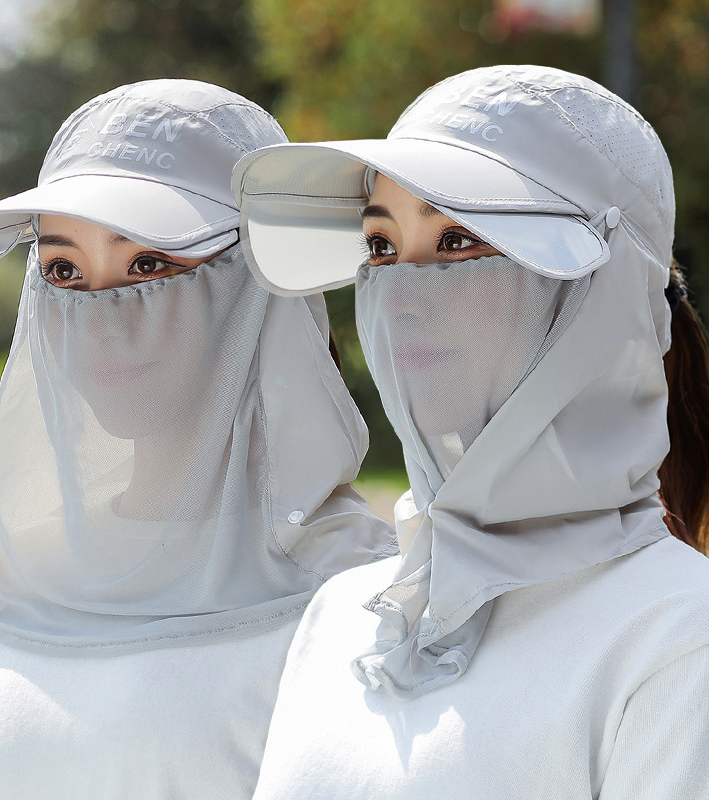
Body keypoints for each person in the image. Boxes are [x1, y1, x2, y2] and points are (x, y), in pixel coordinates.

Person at [231, 65, 709, 798]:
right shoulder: (340, 617)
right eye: (381, 247)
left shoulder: (679, 638)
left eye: (458, 240)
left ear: (607, 289)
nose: (403, 295)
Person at [0, 79, 396, 800]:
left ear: (260, 286)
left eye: (150, 265)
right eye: (63, 270)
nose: (102, 318)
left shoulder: (366, 601)